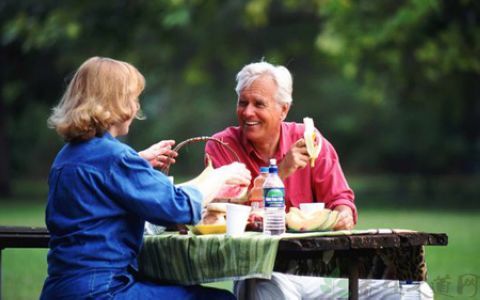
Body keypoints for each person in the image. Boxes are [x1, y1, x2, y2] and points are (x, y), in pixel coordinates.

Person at [40, 57, 251, 299]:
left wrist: (136, 164)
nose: (136, 107)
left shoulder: (66, 157)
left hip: (59, 289)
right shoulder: (114, 157)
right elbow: (178, 207)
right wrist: (222, 174)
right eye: (132, 98)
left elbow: (106, 193)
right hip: (101, 291)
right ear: (115, 102)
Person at [205, 61, 359, 299]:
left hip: (320, 273)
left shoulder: (310, 142)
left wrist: (343, 214)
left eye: (259, 104)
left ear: (284, 110)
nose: (247, 112)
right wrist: (281, 172)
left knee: (409, 290)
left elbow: (341, 199)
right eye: (243, 102)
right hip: (260, 271)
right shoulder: (222, 146)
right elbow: (223, 211)